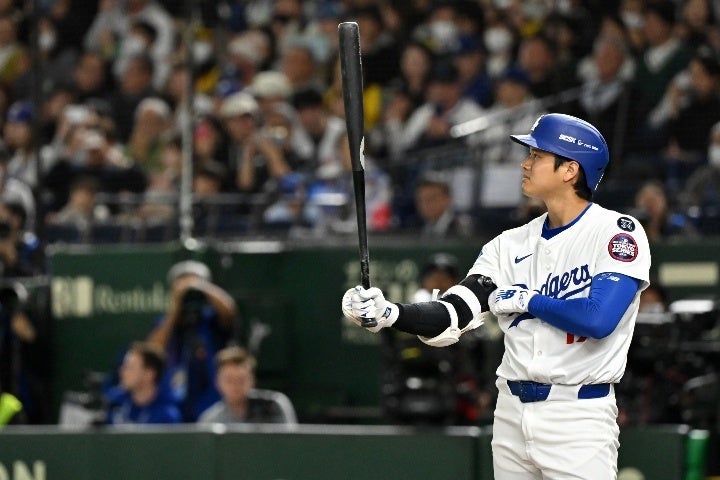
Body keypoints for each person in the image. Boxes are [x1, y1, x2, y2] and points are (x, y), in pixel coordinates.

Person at [342, 113, 651, 479]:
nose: (526, 163)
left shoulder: (616, 232)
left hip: (578, 415)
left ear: (570, 170)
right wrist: (391, 312)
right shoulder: (508, 245)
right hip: (510, 414)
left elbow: (598, 319)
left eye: (537, 156)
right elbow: (453, 312)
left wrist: (528, 300)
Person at [146, 260, 238, 422]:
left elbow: (230, 310)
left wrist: (200, 286)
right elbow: (153, 349)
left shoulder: (212, 318)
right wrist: (177, 305)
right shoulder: (168, 321)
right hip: (178, 401)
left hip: (213, 400)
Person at [197, 346, 296, 425]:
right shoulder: (209, 421)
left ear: (252, 380)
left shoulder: (274, 406)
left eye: (241, 379)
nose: (235, 385)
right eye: (229, 380)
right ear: (217, 382)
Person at [105, 341, 182, 425]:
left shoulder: (166, 416)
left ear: (149, 374)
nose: (122, 371)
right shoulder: (114, 402)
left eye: (130, 367)